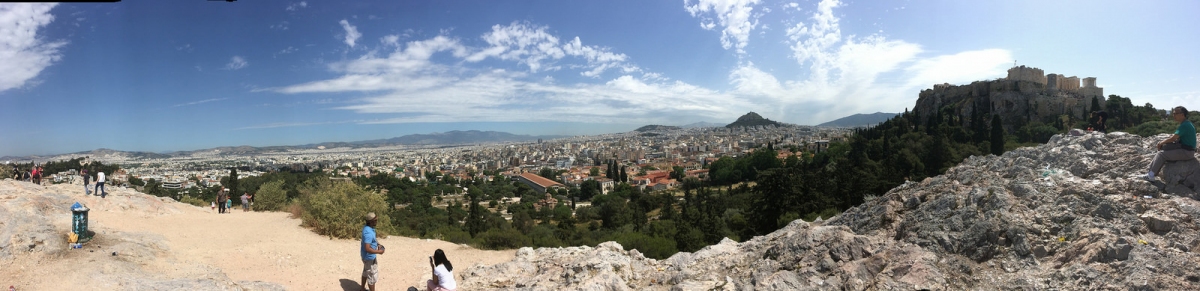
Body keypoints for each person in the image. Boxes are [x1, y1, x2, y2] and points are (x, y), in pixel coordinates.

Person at [1146, 106, 1197, 181]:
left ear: (1182, 115)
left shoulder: (1185, 125)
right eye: (1173, 113)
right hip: (1185, 148)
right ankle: (1151, 172)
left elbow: (1173, 138)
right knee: (1164, 147)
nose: (1173, 115)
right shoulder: (1186, 123)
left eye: (1175, 113)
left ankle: (1151, 175)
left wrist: (1161, 142)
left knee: (1161, 154)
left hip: (1187, 152)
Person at [361, 212, 386, 291]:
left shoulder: (368, 228)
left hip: (365, 257)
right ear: (371, 221)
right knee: (372, 277)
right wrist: (379, 252)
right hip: (369, 258)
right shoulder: (368, 233)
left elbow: (373, 240)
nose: (377, 221)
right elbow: (367, 248)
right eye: (375, 220)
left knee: (365, 272)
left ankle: (362, 289)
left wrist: (378, 244)